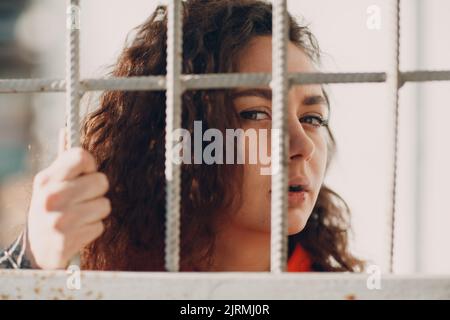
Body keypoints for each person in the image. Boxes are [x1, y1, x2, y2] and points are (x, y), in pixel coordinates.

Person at [0, 0, 364, 272]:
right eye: (254, 113)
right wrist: (31, 261)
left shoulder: (336, 289)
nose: (301, 147)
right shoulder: (105, 274)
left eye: (313, 117)